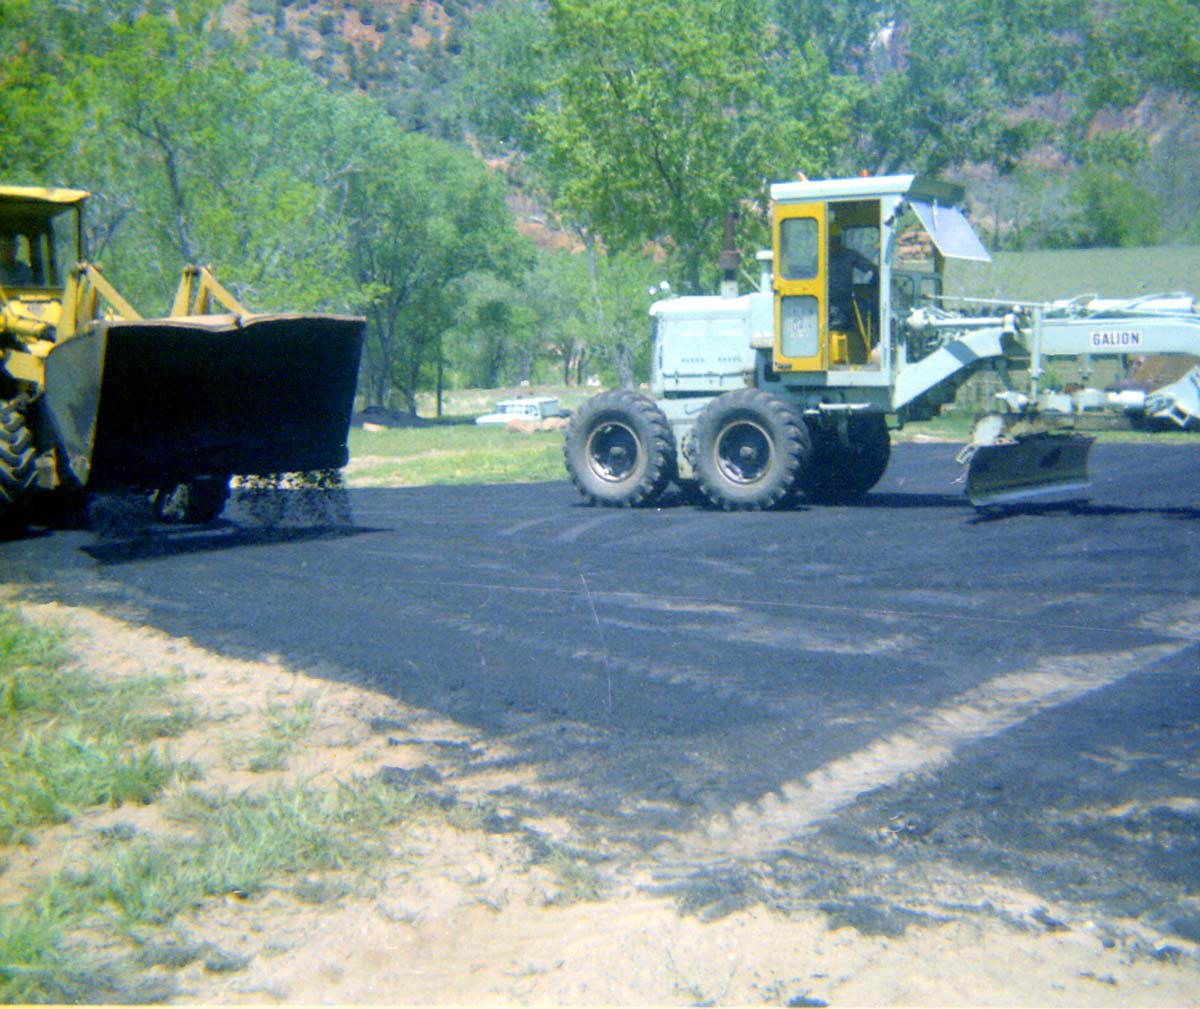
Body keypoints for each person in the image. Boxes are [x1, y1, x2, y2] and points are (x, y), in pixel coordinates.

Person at [828, 224, 877, 332]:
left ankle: (870, 341)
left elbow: (870, 268)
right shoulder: (820, 258)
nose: (834, 244)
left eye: (837, 240)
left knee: (864, 311)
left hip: (847, 299)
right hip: (827, 301)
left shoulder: (849, 255)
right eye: (831, 240)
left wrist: (874, 280)